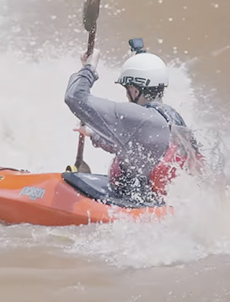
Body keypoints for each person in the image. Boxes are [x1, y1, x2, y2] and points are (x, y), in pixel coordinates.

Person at [64, 40, 204, 201]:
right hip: (159, 203)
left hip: (133, 204)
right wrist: (93, 133)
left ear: (134, 90)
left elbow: (74, 97)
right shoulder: (170, 116)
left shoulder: (137, 116)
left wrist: (89, 67)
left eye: (127, 89)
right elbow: (136, 151)